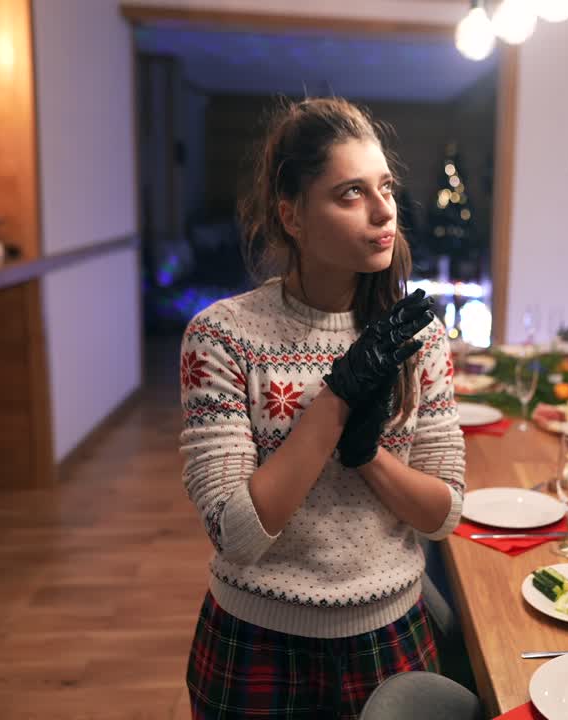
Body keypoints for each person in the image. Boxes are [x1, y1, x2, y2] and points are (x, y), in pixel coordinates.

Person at [178, 97, 465, 718]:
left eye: (386, 188)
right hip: (256, 643)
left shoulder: (417, 337)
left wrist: (366, 454)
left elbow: (442, 514)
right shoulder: (222, 336)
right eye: (350, 193)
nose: (384, 210)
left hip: (390, 634)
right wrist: (337, 399)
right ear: (292, 216)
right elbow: (238, 534)